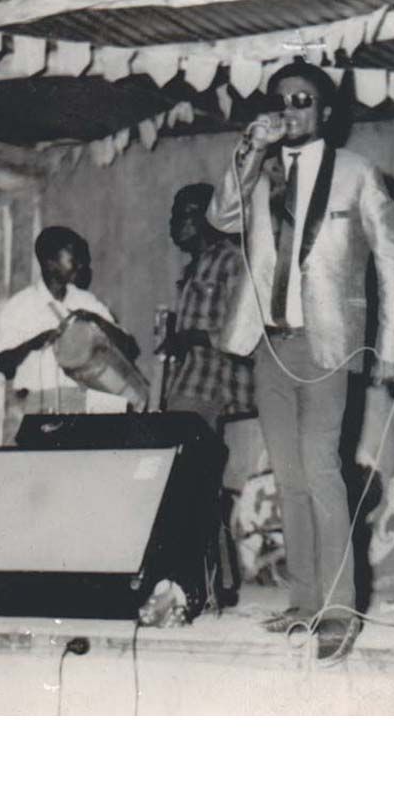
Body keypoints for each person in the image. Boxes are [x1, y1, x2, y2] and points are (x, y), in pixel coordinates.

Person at [207, 59, 394, 660]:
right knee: (289, 478)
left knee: (323, 471)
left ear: (325, 111)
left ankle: (341, 610)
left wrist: (393, 348)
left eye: (303, 100)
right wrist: (252, 146)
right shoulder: (260, 171)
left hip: (327, 343)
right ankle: (304, 601)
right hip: (269, 344)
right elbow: (222, 216)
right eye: (282, 100)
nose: (291, 109)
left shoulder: (357, 173)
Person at [160, 183, 256, 607]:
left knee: (189, 482)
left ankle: (200, 582)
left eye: (182, 214)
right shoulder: (194, 267)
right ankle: (216, 582)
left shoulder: (231, 261)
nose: (173, 223)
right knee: (195, 484)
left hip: (209, 383)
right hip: (187, 381)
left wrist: (193, 337)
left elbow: (244, 330)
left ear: (206, 216)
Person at [0, 226, 139, 441]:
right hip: (38, 407)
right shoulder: (20, 306)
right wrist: (34, 343)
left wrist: (96, 320)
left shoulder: (86, 301)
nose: (80, 264)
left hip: (83, 405)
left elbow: (129, 347)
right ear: (50, 262)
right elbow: (1, 363)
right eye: (73, 258)